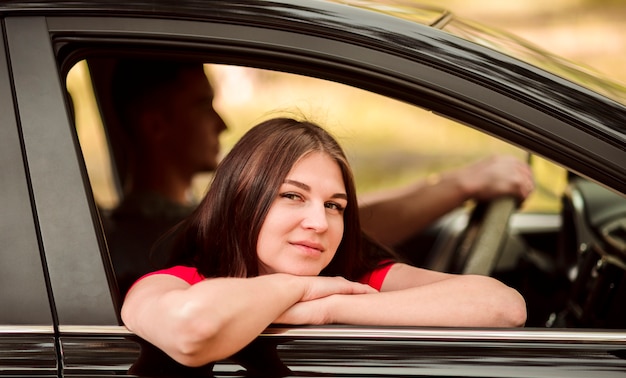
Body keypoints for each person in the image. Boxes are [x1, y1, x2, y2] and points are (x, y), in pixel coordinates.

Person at [105, 58, 534, 296]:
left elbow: (502, 305)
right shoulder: (162, 249)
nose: (221, 122)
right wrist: (459, 185)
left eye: (335, 207)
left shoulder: (344, 271)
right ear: (156, 124)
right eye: (202, 105)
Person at [121, 117, 527, 367]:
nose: (319, 222)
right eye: (292, 195)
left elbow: (503, 307)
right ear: (241, 200)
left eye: (335, 205)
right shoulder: (173, 283)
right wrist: (300, 288)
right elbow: (194, 330)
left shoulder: (353, 279)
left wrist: (329, 308)